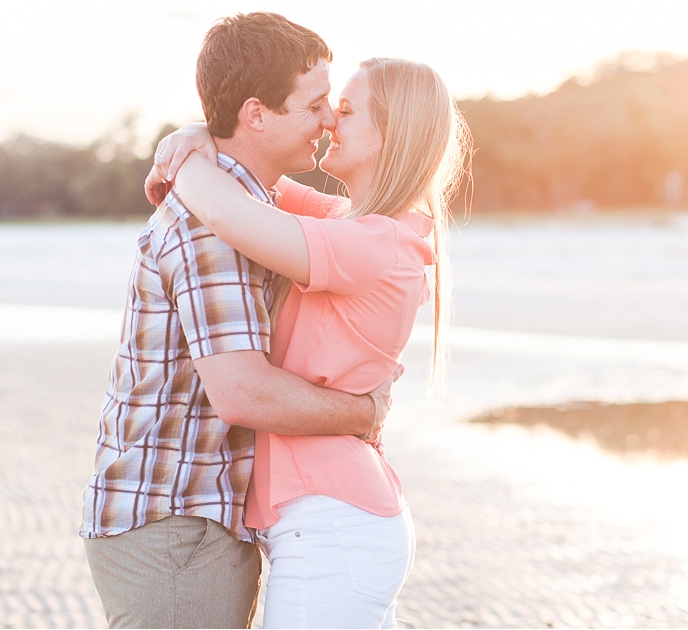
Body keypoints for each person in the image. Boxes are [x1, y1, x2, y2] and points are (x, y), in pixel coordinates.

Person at [80, 13, 400, 629]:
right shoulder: (215, 229)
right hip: (175, 522)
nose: (329, 119)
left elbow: (358, 225)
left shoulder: (249, 208)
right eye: (314, 105)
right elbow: (242, 391)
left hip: (187, 518)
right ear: (256, 114)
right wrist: (363, 412)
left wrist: (194, 138)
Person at [146, 55, 470, 628]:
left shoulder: (373, 243)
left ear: (390, 136)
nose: (328, 123)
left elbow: (226, 211)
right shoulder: (352, 222)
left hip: (332, 526)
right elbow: (259, 178)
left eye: (345, 111)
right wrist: (203, 135)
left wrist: (184, 161)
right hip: (335, 522)